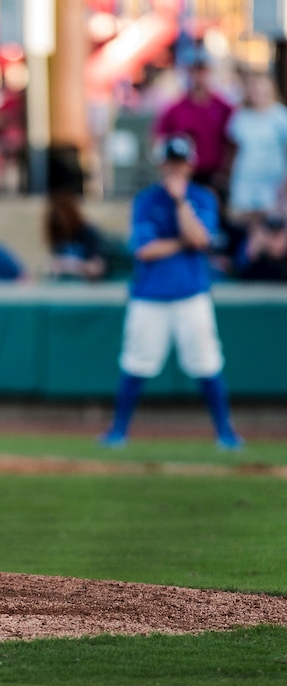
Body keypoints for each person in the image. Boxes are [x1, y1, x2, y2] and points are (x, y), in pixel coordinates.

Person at [100, 135, 242, 450]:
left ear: (190, 164)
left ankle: (225, 432)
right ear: (162, 164)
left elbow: (201, 239)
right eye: (171, 163)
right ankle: (119, 430)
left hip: (191, 293)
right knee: (136, 362)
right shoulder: (147, 200)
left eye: (181, 162)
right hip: (150, 295)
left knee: (206, 362)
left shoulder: (202, 197)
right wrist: (181, 243)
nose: (176, 169)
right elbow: (145, 250)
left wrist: (180, 203)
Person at [152, 49, 234, 204]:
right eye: (195, 71)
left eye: (203, 71)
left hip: (214, 176)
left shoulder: (224, 108)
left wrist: (224, 173)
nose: (199, 77)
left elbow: (231, 143)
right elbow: (160, 140)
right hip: (184, 175)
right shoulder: (175, 109)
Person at [225, 72, 287, 233]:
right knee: (244, 225)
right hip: (245, 181)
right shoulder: (241, 117)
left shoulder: (281, 116)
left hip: (273, 182)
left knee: (270, 226)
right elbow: (233, 150)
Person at [43, 191, 108, 282]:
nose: (60, 223)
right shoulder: (59, 236)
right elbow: (53, 266)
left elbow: (97, 269)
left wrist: (72, 266)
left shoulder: (88, 234)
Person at [236, 211, 287, 282]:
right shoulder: (258, 265)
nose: (275, 242)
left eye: (278, 237)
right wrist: (252, 255)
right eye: (271, 236)